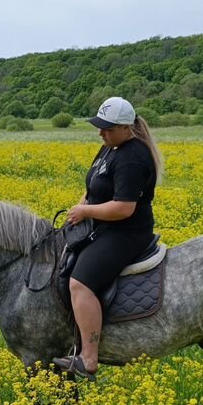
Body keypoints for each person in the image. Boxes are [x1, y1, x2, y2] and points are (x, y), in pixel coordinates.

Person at [53, 96, 163, 381]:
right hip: (101, 226)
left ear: (127, 128)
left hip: (126, 233)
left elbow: (124, 208)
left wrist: (85, 211)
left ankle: (89, 358)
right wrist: (79, 210)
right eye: (100, 127)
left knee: (80, 283)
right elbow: (92, 189)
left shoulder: (133, 157)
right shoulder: (109, 148)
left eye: (108, 128)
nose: (101, 133)